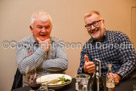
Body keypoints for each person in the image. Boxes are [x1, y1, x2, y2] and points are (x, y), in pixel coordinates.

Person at [77, 10, 136, 85]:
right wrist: (85, 69)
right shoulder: (86, 47)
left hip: (122, 82)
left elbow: (131, 60)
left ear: (103, 22)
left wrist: (118, 75)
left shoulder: (119, 37)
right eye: (88, 25)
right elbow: (79, 72)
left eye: (95, 23)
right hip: (99, 85)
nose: (92, 28)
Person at [16, 11, 68, 86]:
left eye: (47, 27)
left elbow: (64, 64)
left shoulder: (58, 42)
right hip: (33, 86)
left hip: (57, 85)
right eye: (39, 27)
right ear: (31, 28)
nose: (43, 31)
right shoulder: (22, 44)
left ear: (51, 28)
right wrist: (42, 50)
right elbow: (23, 68)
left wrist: (33, 64)